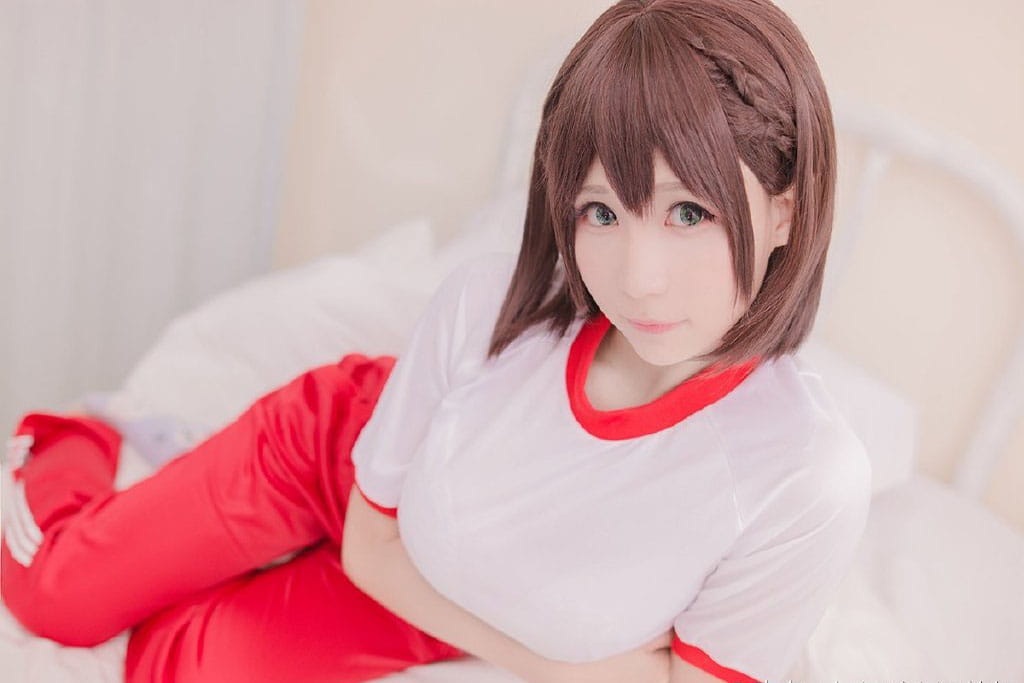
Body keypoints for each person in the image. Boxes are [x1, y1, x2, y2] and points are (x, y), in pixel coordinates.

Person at [0, 0, 873, 681]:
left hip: (425, 591)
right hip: (342, 464)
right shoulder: (485, 305)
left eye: (688, 212)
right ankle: (72, 438)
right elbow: (369, 543)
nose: (638, 277)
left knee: (169, 665)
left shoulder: (799, 473)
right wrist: (555, 663)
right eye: (602, 211)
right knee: (58, 598)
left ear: (785, 208)